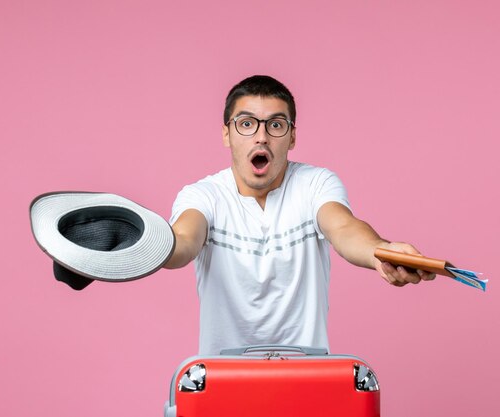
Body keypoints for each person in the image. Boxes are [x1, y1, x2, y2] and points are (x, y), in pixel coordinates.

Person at [164, 75, 435, 355]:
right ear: (226, 134)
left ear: (292, 136)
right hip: (223, 382)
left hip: (306, 379)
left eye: (276, 125)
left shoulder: (314, 184)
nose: (261, 137)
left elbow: (343, 227)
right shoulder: (203, 195)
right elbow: (184, 239)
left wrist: (380, 250)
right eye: (246, 124)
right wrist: (147, 246)